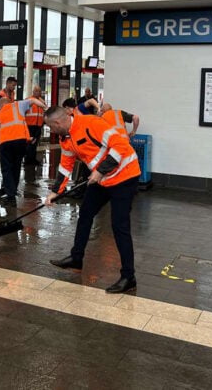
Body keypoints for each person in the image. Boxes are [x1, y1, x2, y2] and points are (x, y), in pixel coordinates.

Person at [43, 105, 141, 294]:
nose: (51, 131)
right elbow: (66, 165)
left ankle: (129, 276)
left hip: (124, 176)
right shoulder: (66, 138)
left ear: (57, 122)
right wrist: (56, 191)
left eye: (51, 128)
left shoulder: (91, 123)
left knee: (119, 226)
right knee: (85, 213)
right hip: (103, 179)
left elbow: (121, 145)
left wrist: (100, 171)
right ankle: (76, 258)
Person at [0, 95, 47, 205]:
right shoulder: (18, 105)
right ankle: (10, 190)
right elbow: (33, 100)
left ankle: (10, 196)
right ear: (10, 101)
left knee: (7, 169)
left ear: (0, 105)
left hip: (6, 143)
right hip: (20, 142)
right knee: (16, 167)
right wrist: (45, 107)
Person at [0, 77, 17, 177]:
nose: (14, 88)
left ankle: (2, 164)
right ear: (7, 84)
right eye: (13, 85)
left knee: (4, 144)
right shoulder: (1, 95)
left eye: (15, 86)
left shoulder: (12, 94)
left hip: (6, 123)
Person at [24, 85, 45, 165]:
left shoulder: (42, 101)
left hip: (38, 126)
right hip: (29, 125)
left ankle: (32, 159)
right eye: (36, 91)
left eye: (39, 91)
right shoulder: (28, 100)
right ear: (33, 91)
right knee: (29, 144)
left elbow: (43, 113)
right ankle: (27, 160)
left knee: (35, 144)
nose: (38, 92)